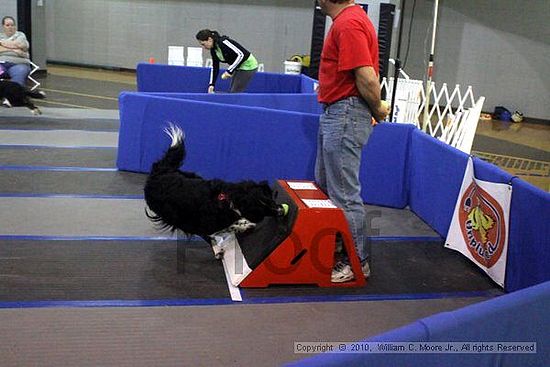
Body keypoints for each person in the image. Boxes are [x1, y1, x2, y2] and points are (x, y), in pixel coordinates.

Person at [315, 0, 389, 283]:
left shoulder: (348, 24)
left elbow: (366, 76)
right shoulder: (350, 21)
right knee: (327, 184)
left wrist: (378, 108)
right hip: (339, 111)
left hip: (345, 112)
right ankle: (337, 249)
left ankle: (357, 262)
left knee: (344, 194)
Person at [195, 29, 258, 93]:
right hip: (239, 67)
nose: (203, 47)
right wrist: (212, 84)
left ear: (209, 39)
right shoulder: (214, 50)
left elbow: (242, 55)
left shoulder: (223, 42)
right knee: (233, 92)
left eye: (203, 44)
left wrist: (229, 71)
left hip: (249, 65)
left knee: (234, 93)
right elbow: (215, 67)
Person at [0, 16, 31, 87]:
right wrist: (14, 49)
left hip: (19, 64)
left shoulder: (20, 35)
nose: (10, 27)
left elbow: (22, 45)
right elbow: (17, 46)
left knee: (19, 75)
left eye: (12, 25)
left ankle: (14, 95)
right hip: (1, 64)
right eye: (7, 25)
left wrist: (2, 44)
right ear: (3, 26)